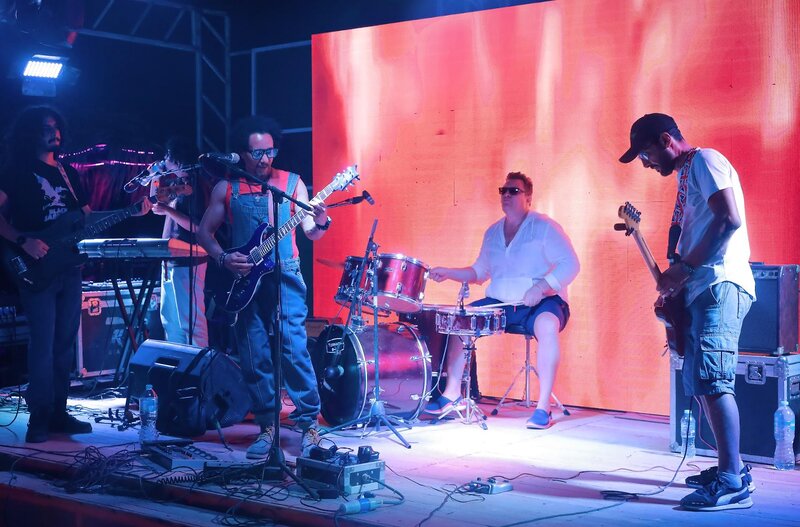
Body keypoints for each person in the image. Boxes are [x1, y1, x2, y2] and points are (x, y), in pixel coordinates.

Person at [619, 113, 756, 511]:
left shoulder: (706, 160)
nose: (646, 163)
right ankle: (733, 468)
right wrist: (677, 280)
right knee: (703, 381)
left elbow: (729, 219)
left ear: (666, 140)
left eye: (646, 153)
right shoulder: (687, 174)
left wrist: (686, 269)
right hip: (702, 287)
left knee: (714, 380)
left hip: (719, 284)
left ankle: (732, 483)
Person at [0, 105, 150, 443]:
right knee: (42, 345)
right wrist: (24, 241)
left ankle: (58, 412)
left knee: (64, 345)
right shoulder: (16, 171)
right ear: (30, 132)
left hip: (69, 268)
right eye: (45, 128)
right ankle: (38, 418)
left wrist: (130, 212)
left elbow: (86, 218)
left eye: (56, 127)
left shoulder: (68, 172)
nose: (53, 133)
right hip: (34, 267)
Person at [197, 116, 329, 459]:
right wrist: (223, 258)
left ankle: (309, 425)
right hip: (244, 279)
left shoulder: (292, 183)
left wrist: (321, 220)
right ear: (242, 154)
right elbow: (203, 233)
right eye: (257, 153)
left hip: (286, 275)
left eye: (270, 151)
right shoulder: (226, 188)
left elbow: (311, 232)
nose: (265, 159)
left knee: (294, 348)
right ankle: (267, 426)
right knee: (254, 353)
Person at [427, 171, 580, 430]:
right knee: (460, 321)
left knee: (546, 325)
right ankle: (452, 395)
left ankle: (543, 408)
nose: (506, 195)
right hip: (502, 303)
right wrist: (449, 273)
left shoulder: (545, 227)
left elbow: (571, 264)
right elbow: (479, 272)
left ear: (528, 197)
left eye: (514, 191)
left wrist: (541, 287)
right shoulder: (492, 232)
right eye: (503, 190)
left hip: (544, 302)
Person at [150, 137, 208, 348]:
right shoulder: (177, 184)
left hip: (189, 259)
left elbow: (199, 227)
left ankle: (199, 364)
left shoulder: (196, 185)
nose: (164, 160)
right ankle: (179, 362)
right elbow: (155, 201)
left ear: (177, 158)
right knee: (170, 320)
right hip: (170, 259)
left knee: (191, 321)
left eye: (167, 156)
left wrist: (168, 210)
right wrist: (154, 178)